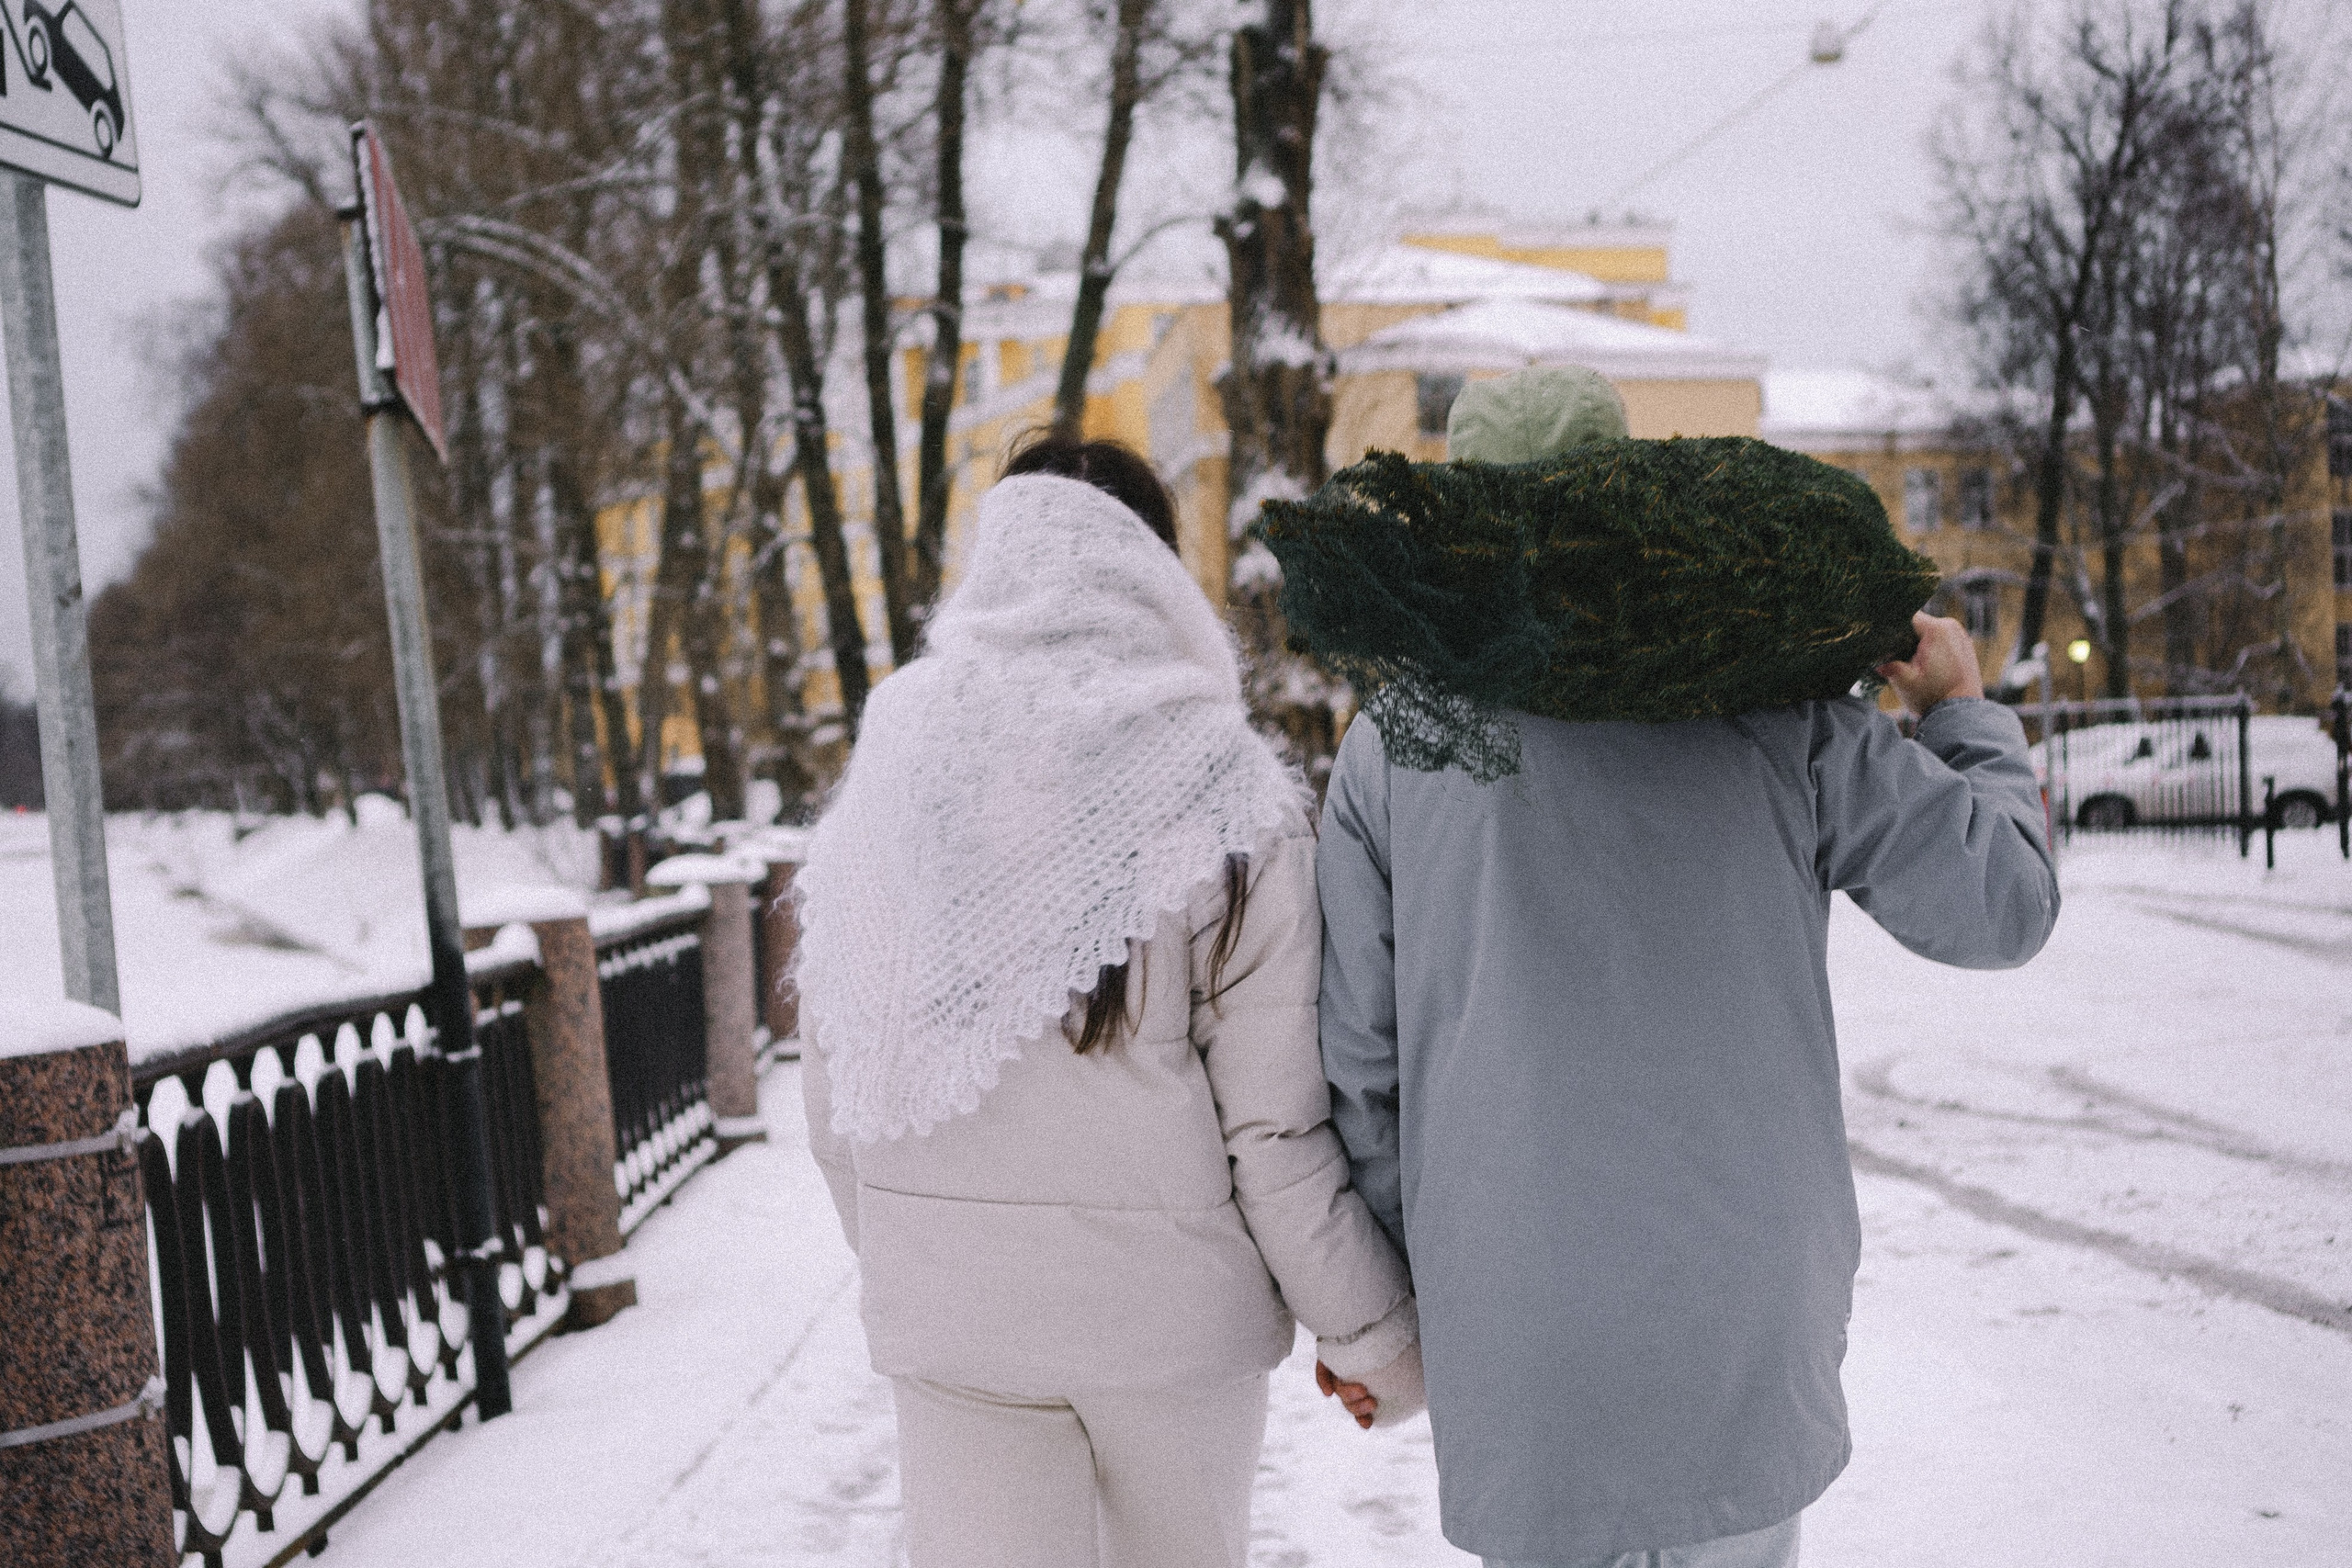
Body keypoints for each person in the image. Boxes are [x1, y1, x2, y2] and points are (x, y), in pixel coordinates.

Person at [1314, 368, 2062, 1568]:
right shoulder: (1778, 715)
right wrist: (1963, 712)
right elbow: (2003, 905)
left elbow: (1360, 1065)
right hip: (1742, 1314)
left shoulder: (1393, 747)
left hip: (1520, 1324)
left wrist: (1407, 1300)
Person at [795, 433, 1420, 1568]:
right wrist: (1371, 1335)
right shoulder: (1218, 778)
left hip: (957, 1326)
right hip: (1168, 1332)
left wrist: (916, 1252)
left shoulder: (900, 755)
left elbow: (839, 1069)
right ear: (1154, 569)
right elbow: (1273, 1130)